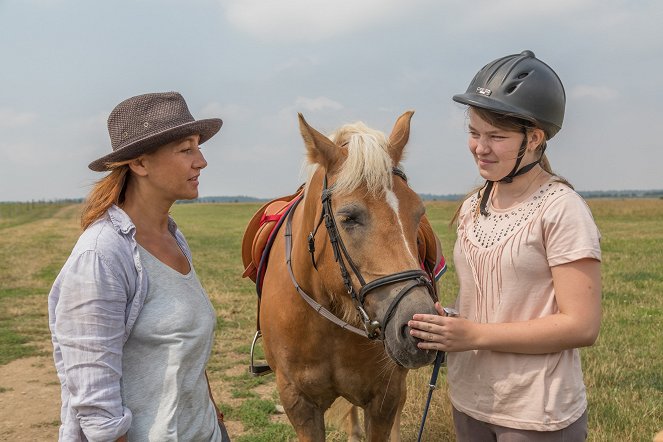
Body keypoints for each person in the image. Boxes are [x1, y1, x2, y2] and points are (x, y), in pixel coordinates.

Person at [409, 50, 602, 441]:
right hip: (471, 400)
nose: (480, 147)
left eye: (496, 136)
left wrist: (474, 335)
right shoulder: (472, 206)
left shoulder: (562, 209)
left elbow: (582, 325)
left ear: (534, 139)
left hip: (536, 411)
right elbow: (485, 304)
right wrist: (446, 320)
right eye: (474, 132)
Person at [48, 92, 231, 441]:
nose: (202, 161)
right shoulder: (102, 254)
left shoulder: (173, 238)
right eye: (186, 149)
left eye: (198, 147)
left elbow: (183, 351)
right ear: (141, 164)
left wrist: (212, 416)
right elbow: (95, 402)